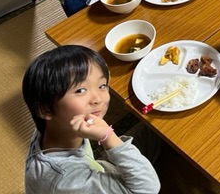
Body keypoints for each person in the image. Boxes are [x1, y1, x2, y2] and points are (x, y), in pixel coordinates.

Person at [22, 45, 161, 193]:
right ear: (46, 110)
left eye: (102, 85)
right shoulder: (67, 180)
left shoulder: (52, 128)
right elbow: (148, 188)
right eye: (80, 90)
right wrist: (108, 137)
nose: (98, 99)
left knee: (155, 131)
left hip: (93, 169)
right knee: (159, 139)